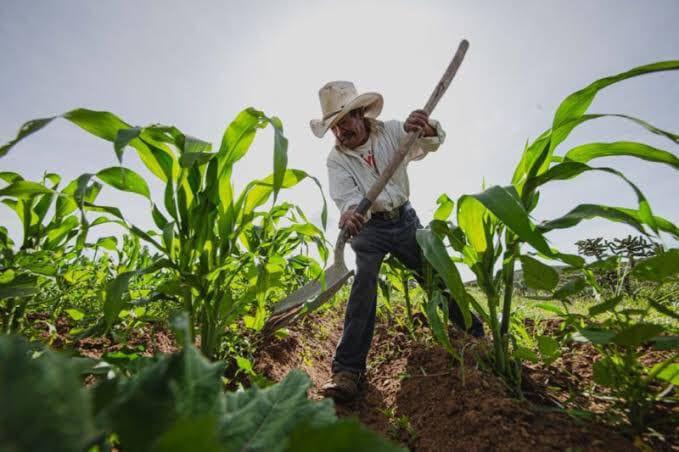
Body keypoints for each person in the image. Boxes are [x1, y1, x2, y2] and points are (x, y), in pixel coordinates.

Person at [310, 81, 484, 402]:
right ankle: (347, 371)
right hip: (369, 230)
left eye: (344, 122)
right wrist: (350, 214)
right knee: (363, 287)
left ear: (361, 114)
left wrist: (425, 126)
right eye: (333, 127)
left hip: (403, 220)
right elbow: (346, 198)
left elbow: (430, 142)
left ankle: (476, 335)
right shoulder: (337, 159)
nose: (339, 132)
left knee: (434, 276)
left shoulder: (392, 131)